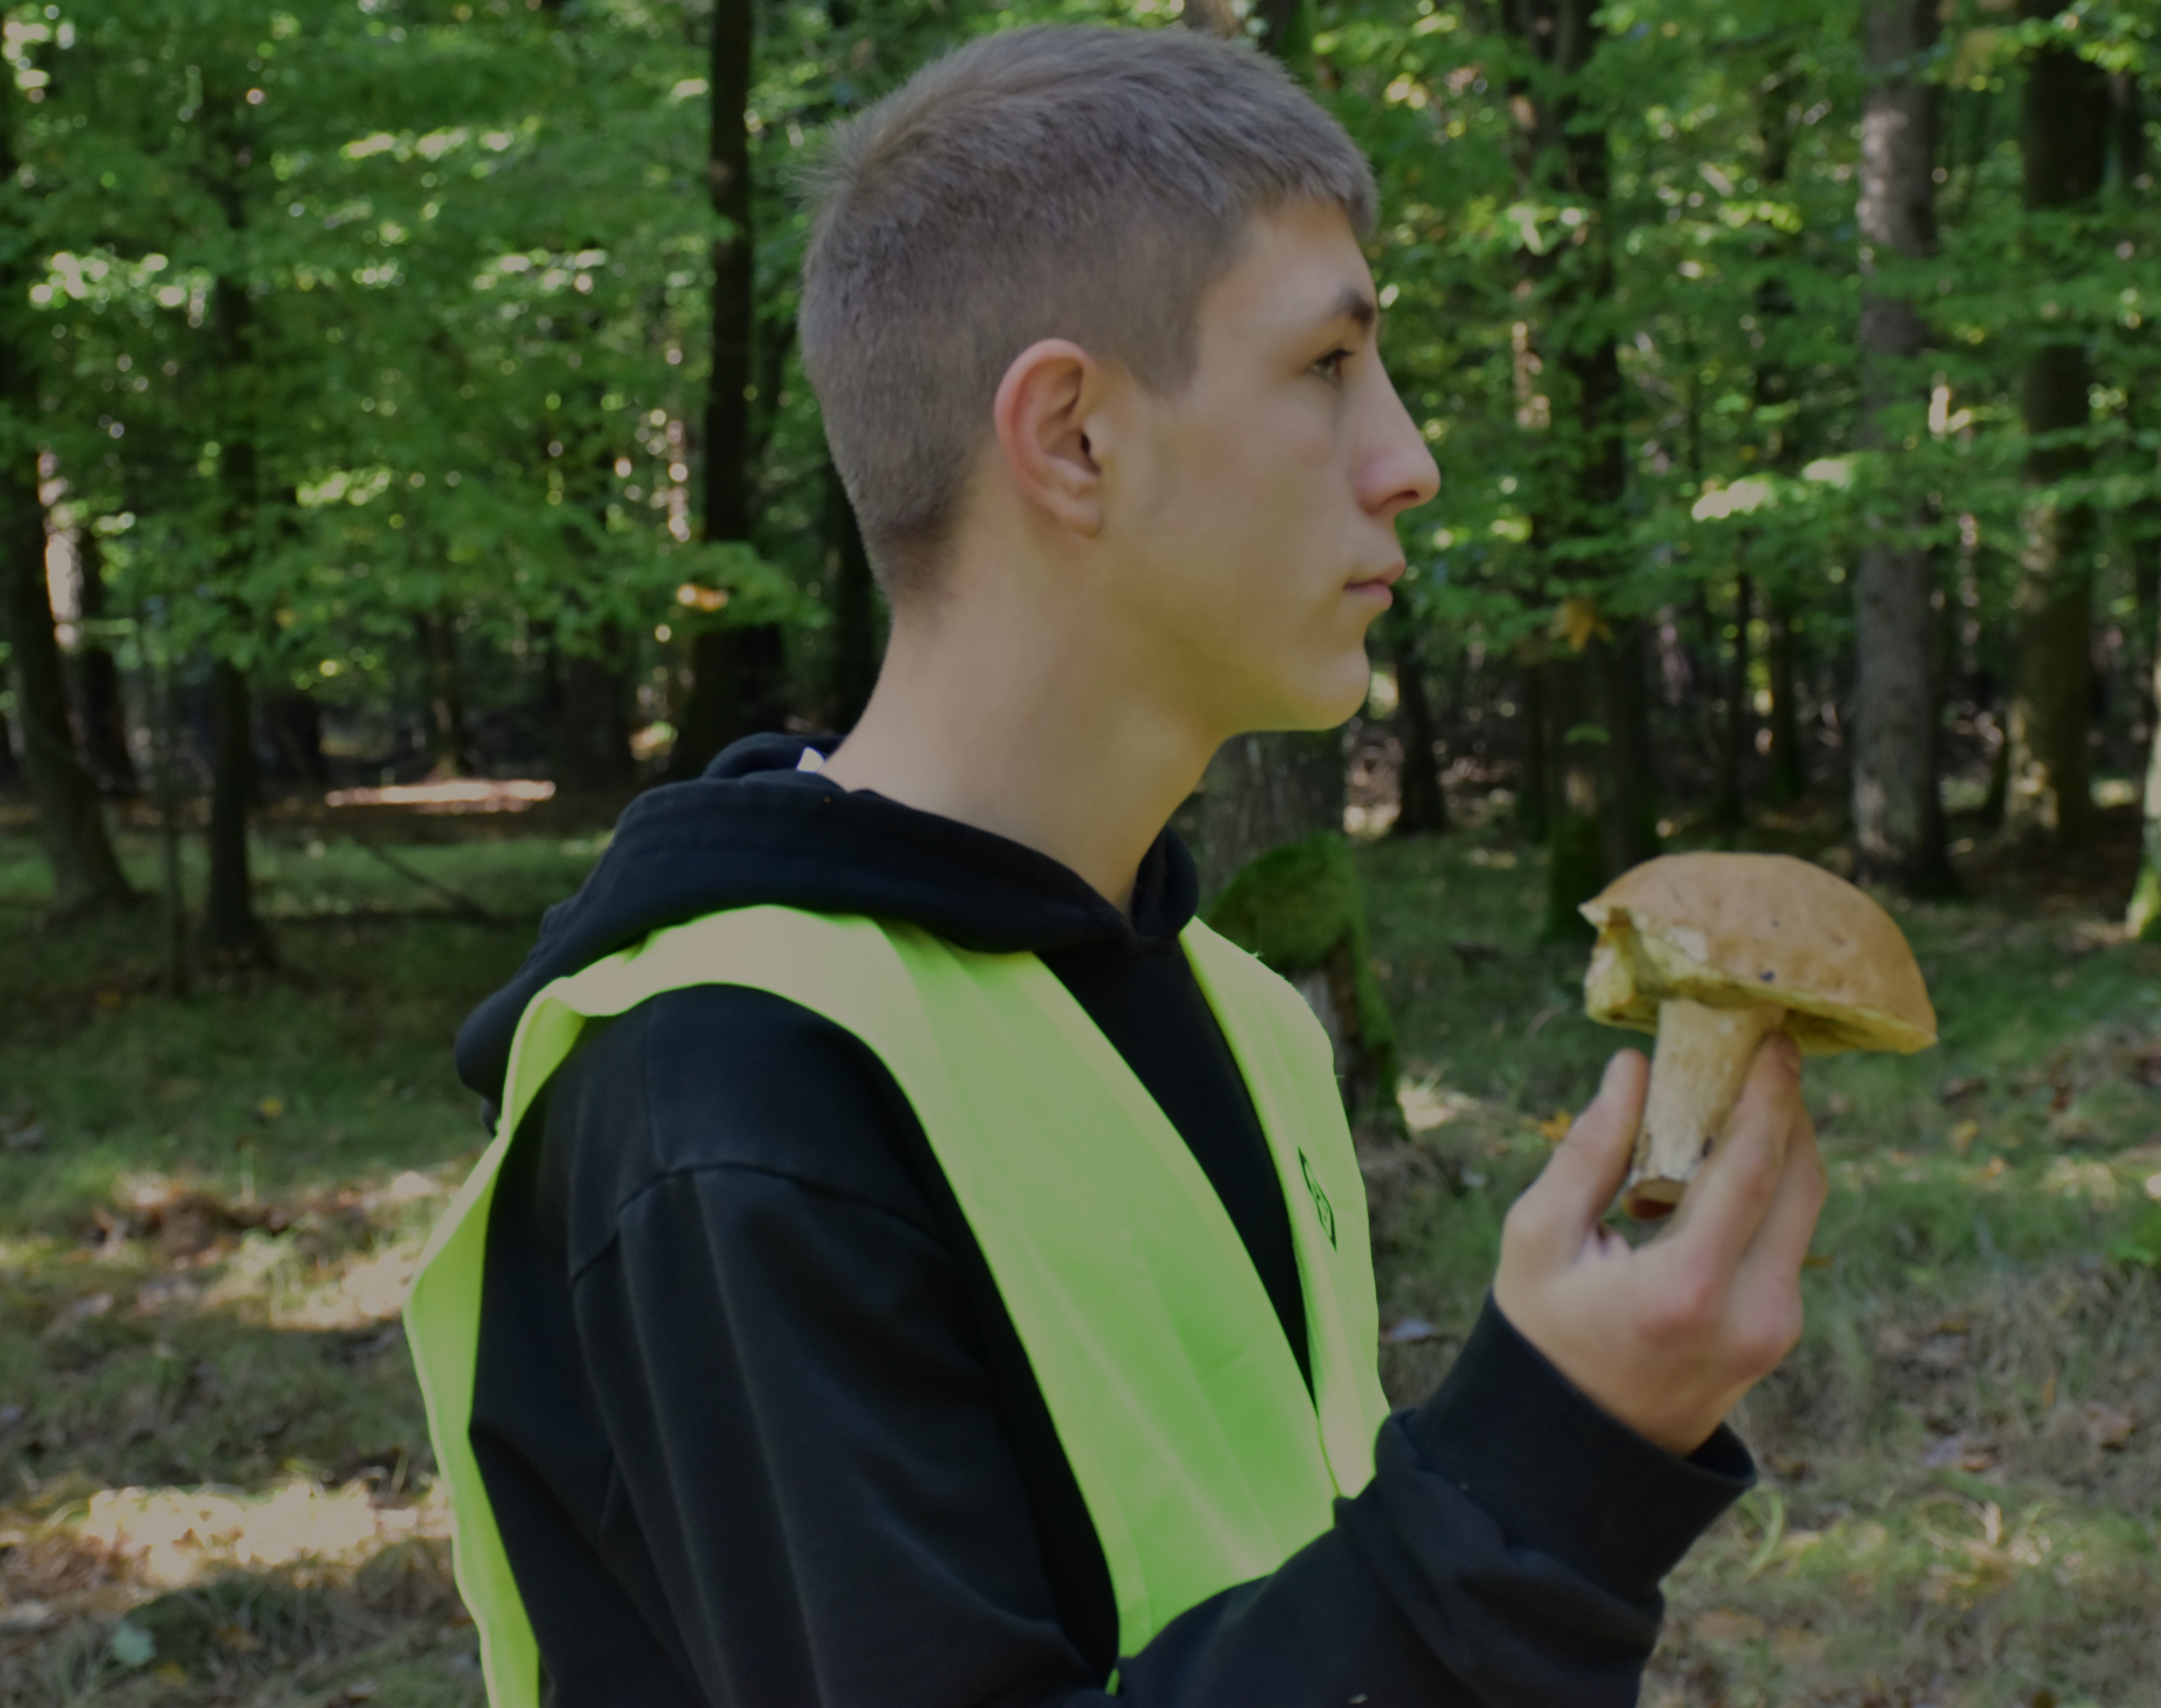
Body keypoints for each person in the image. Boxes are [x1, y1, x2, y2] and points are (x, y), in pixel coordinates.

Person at [406, 21, 1827, 1707]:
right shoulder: (731, 1094)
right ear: (1072, 438)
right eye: (1326, 368)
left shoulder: (1238, 1011)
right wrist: (1539, 1475)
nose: (1411, 458)